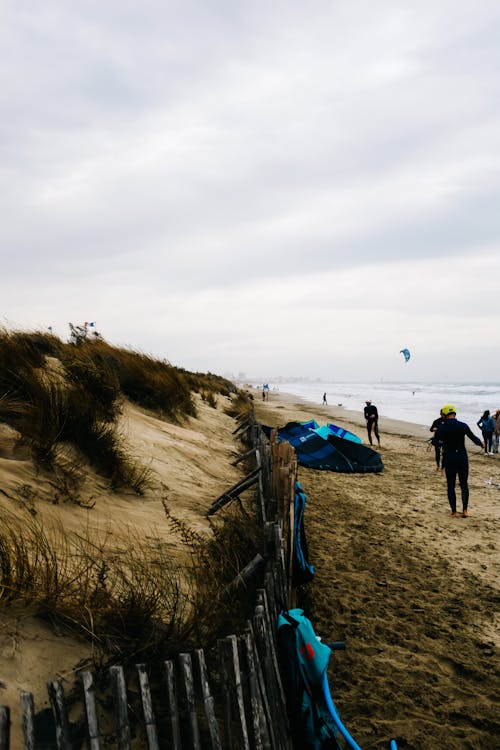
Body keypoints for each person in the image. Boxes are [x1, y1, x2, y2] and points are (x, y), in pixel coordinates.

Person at [436, 404, 484, 518]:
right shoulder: (462, 425)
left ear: (445, 414)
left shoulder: (442, 427)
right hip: (462, 458)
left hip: (449, 458)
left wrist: (441, 443)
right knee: (464, 485)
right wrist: (481, 444)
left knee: (451, 486)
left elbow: (436, 441)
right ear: (454, 413)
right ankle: (465, 510)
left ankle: (453, 511)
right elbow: (473, 437)